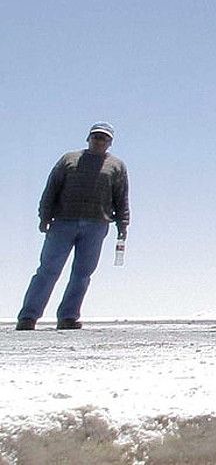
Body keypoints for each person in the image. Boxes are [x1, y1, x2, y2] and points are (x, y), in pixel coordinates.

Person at [17, 123, 130, 331]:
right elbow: (51, 188)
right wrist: (44, 216)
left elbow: (122, 197)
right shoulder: (69, 159)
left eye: (103, 138)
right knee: (48, 270)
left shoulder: (116, 166)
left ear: (110, 143)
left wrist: (123, 224)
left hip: (96, 225)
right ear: (88, 138)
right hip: (63, 223)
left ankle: (68, 316)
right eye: (96, 136)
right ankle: (28, 317)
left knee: (82, 274)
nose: (99, 140)